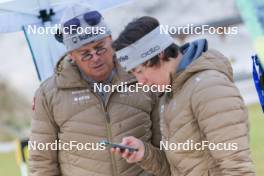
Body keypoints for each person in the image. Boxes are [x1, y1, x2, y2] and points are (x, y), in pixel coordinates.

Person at [112, 16, 256, 176]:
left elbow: (237, 169)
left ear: (159, 54)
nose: (141, 82)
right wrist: (145, 154)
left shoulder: (209, 87)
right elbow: (181, 168)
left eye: (140, 71)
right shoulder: (171, 93)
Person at [29, 5, 163, 176]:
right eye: (85, 54)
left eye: (101, 47)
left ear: (110, 39)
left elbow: (164, 143)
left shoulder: (141, 75)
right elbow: (42, 161)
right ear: (71, 54)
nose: (96, 58)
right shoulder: (48, 94)